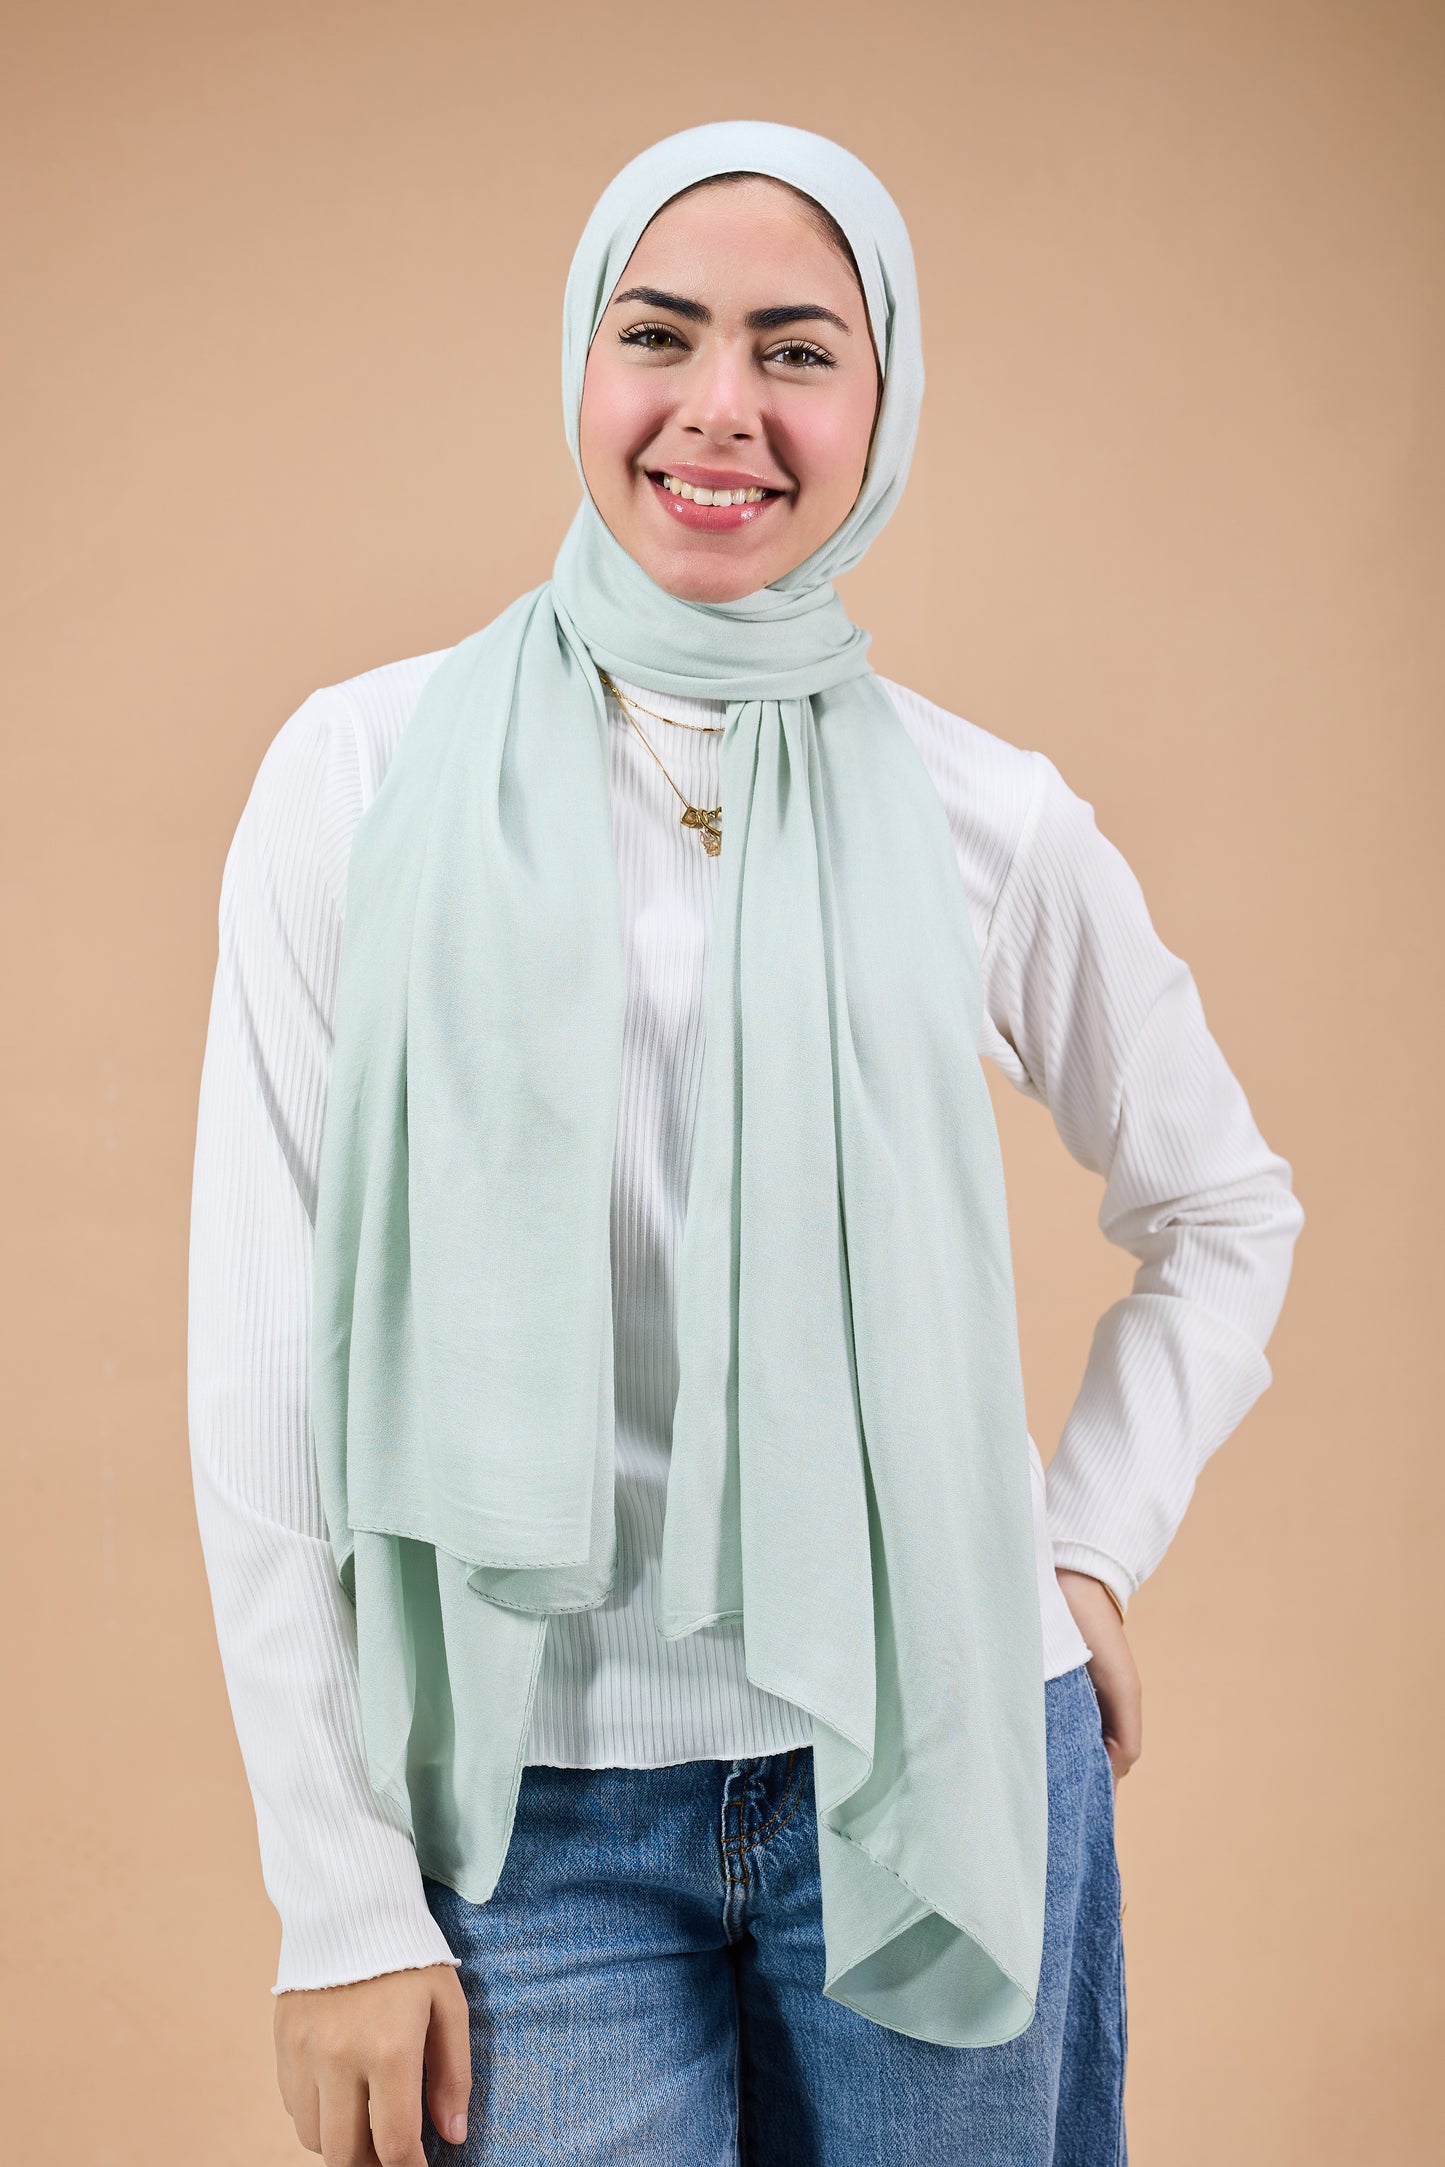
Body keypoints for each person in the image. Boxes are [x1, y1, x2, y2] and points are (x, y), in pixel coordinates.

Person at [187, 121, 1304, 2166]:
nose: (721, 406)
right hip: (523, 1808)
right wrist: (335, 1893)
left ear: (882, 404)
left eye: (796, 350)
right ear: (581, 362)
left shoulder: (986, 814)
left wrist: (1083, 1543)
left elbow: (1223, 1208)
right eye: (659, 334)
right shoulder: (361, 775)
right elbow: (262, 1363)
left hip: (943, 1755)